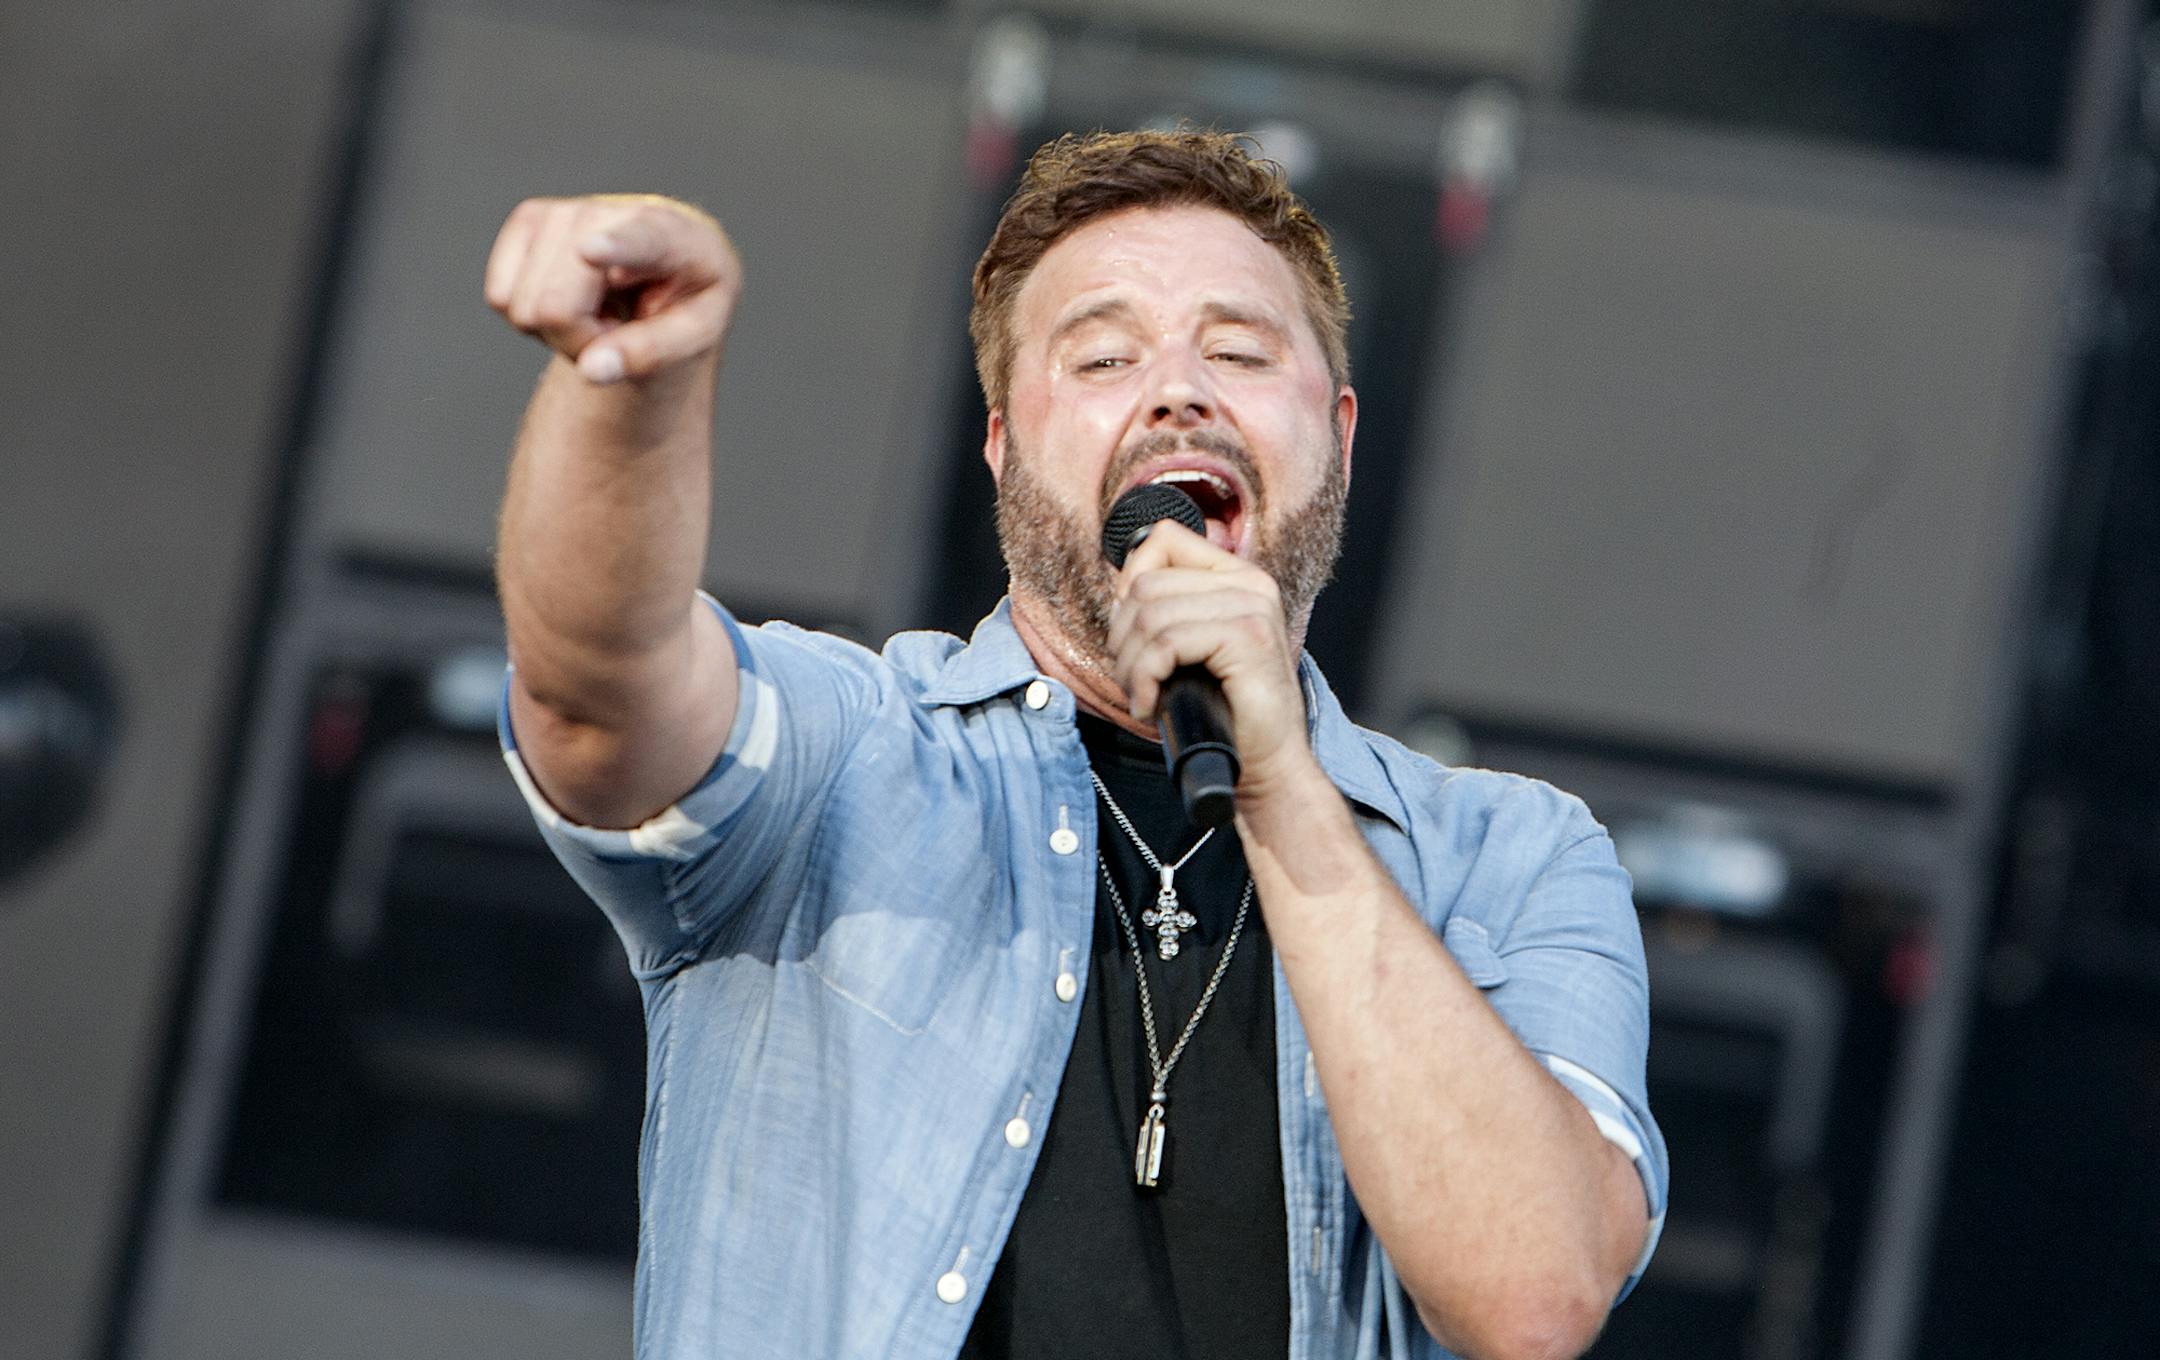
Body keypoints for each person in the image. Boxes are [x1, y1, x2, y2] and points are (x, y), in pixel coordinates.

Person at [485, 129, 1665, 1360]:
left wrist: (1281, 785)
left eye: (1240, 351)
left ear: (1342, 434)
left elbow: (1536, 1293)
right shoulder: (850, 756)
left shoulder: (1511, 858)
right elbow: (594, 694)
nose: (1175, 392)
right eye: (1104, 354)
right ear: (1003, 450)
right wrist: (624, 389)